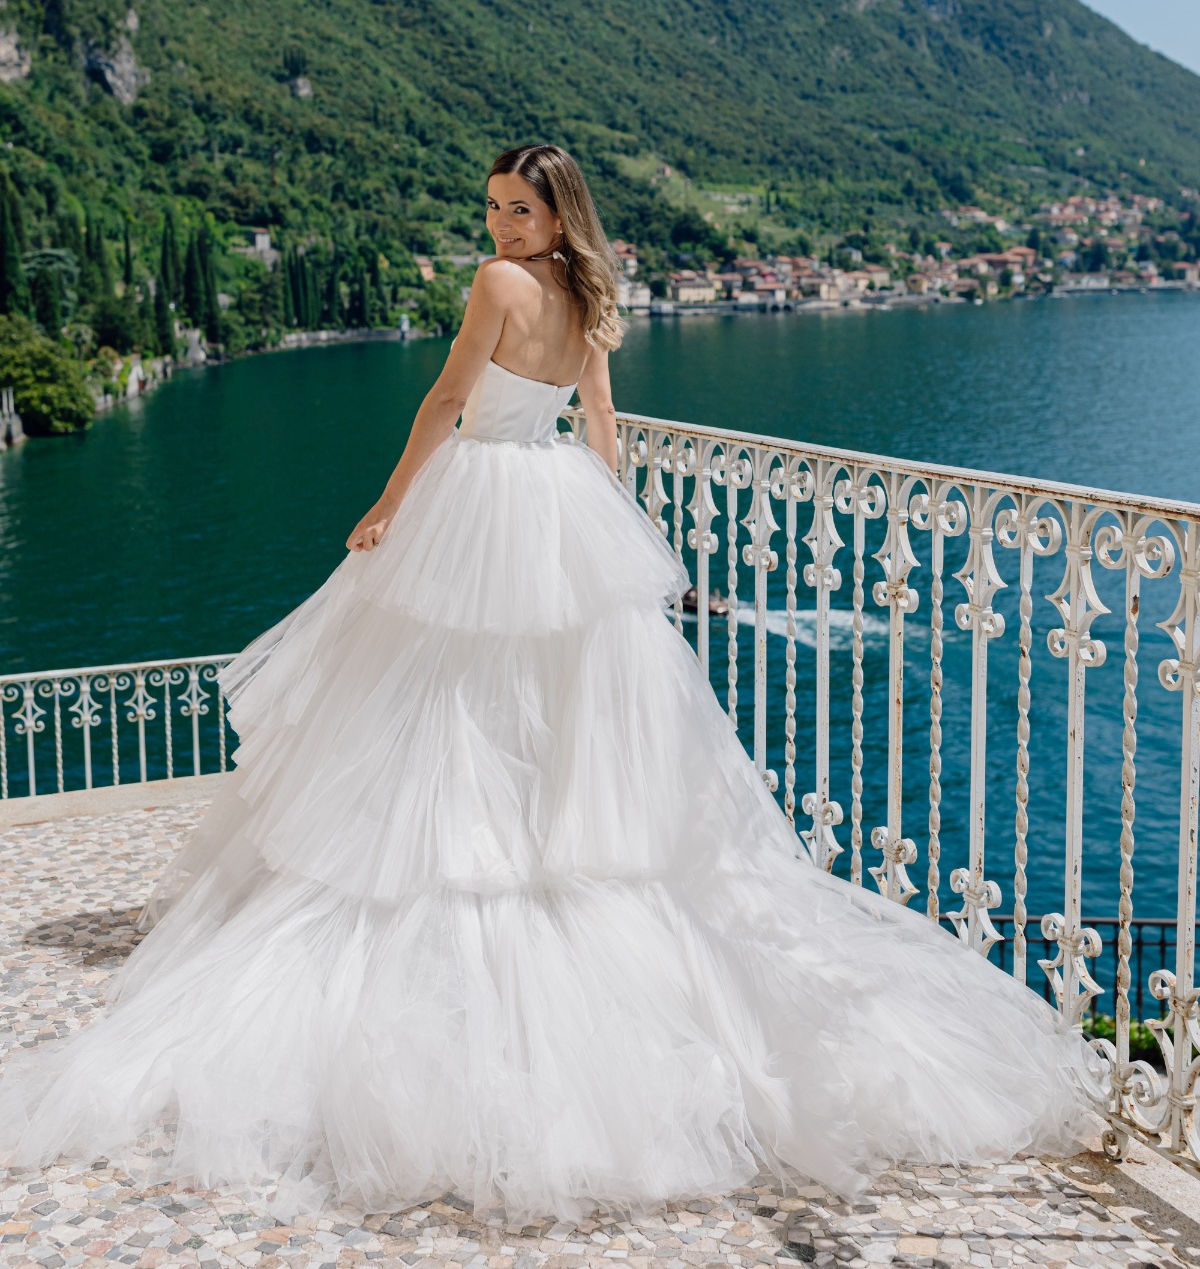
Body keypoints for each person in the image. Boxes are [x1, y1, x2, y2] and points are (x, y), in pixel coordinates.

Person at [0, 144, 1098, 1225]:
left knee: (444, 712)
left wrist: (387, 505)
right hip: (561, 501)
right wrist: (608, 525)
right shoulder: (593, 293)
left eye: (517, 210)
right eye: (491, 210)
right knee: (557, 721)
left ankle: (470, 876)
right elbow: (603, 424)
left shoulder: (500, 287)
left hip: (480, 499)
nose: (497, 227)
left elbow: (444, 401)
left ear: (557, 214)